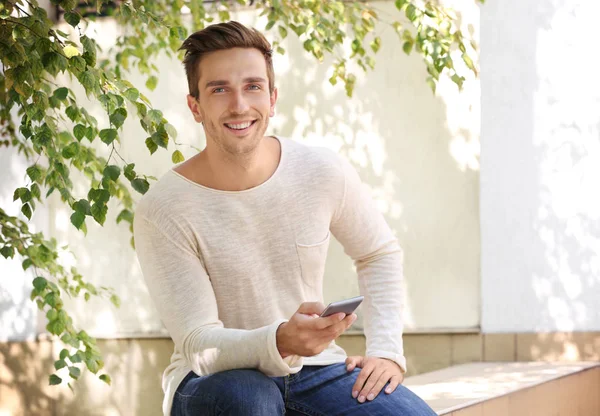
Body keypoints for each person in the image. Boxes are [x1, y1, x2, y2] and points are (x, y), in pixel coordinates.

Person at [133, 20, 437, 416]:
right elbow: (199, 344)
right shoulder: (165, 207)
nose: (239, 105)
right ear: (195, 106)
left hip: (313, 369)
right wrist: (281, 340)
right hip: (214, 381)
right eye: (219, 89)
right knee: (251, 400)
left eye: (253, 87)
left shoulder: (320, 171)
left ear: (272, 99)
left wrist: (386, 351)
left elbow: (378, 252)